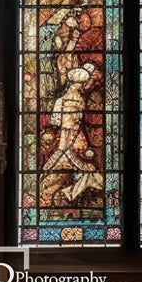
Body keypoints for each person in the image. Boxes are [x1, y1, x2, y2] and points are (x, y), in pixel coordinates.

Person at [43, 63, 103, 203]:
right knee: (90, 171)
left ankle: (68, 193)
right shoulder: (79, 100)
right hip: (70, 142)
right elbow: (71, 124)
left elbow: (57, 122)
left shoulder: (61, 101)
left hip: (66, 141)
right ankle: (68, 193)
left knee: (89, 171)